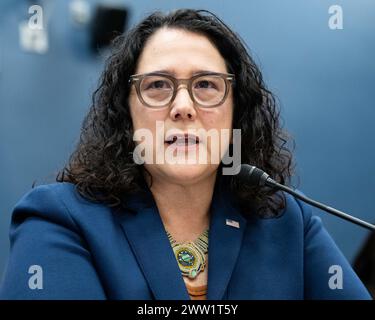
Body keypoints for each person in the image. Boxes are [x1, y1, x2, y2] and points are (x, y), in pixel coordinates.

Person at [0, 9, 371, 300]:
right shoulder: (59, 218)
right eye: (158, 86)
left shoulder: (286, 218)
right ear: (126, 115)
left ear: (236, 111)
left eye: (206, 85)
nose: (183, 106)